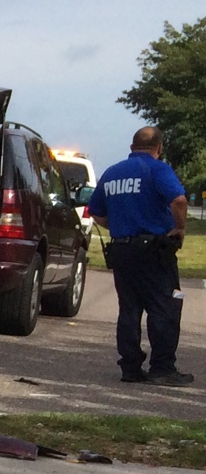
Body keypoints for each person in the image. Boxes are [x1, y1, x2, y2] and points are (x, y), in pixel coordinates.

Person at [90, 126, 190, 386]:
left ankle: (130, 367)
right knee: (165, 306)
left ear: (132, 146)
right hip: (154, 251)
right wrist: (179, 228)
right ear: (159, 147)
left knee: (129, 309)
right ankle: (162, 368)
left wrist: (121, 226)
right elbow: (178, 200)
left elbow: (96, 212)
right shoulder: (157, 169)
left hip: (122, 250)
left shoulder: (112, 173)